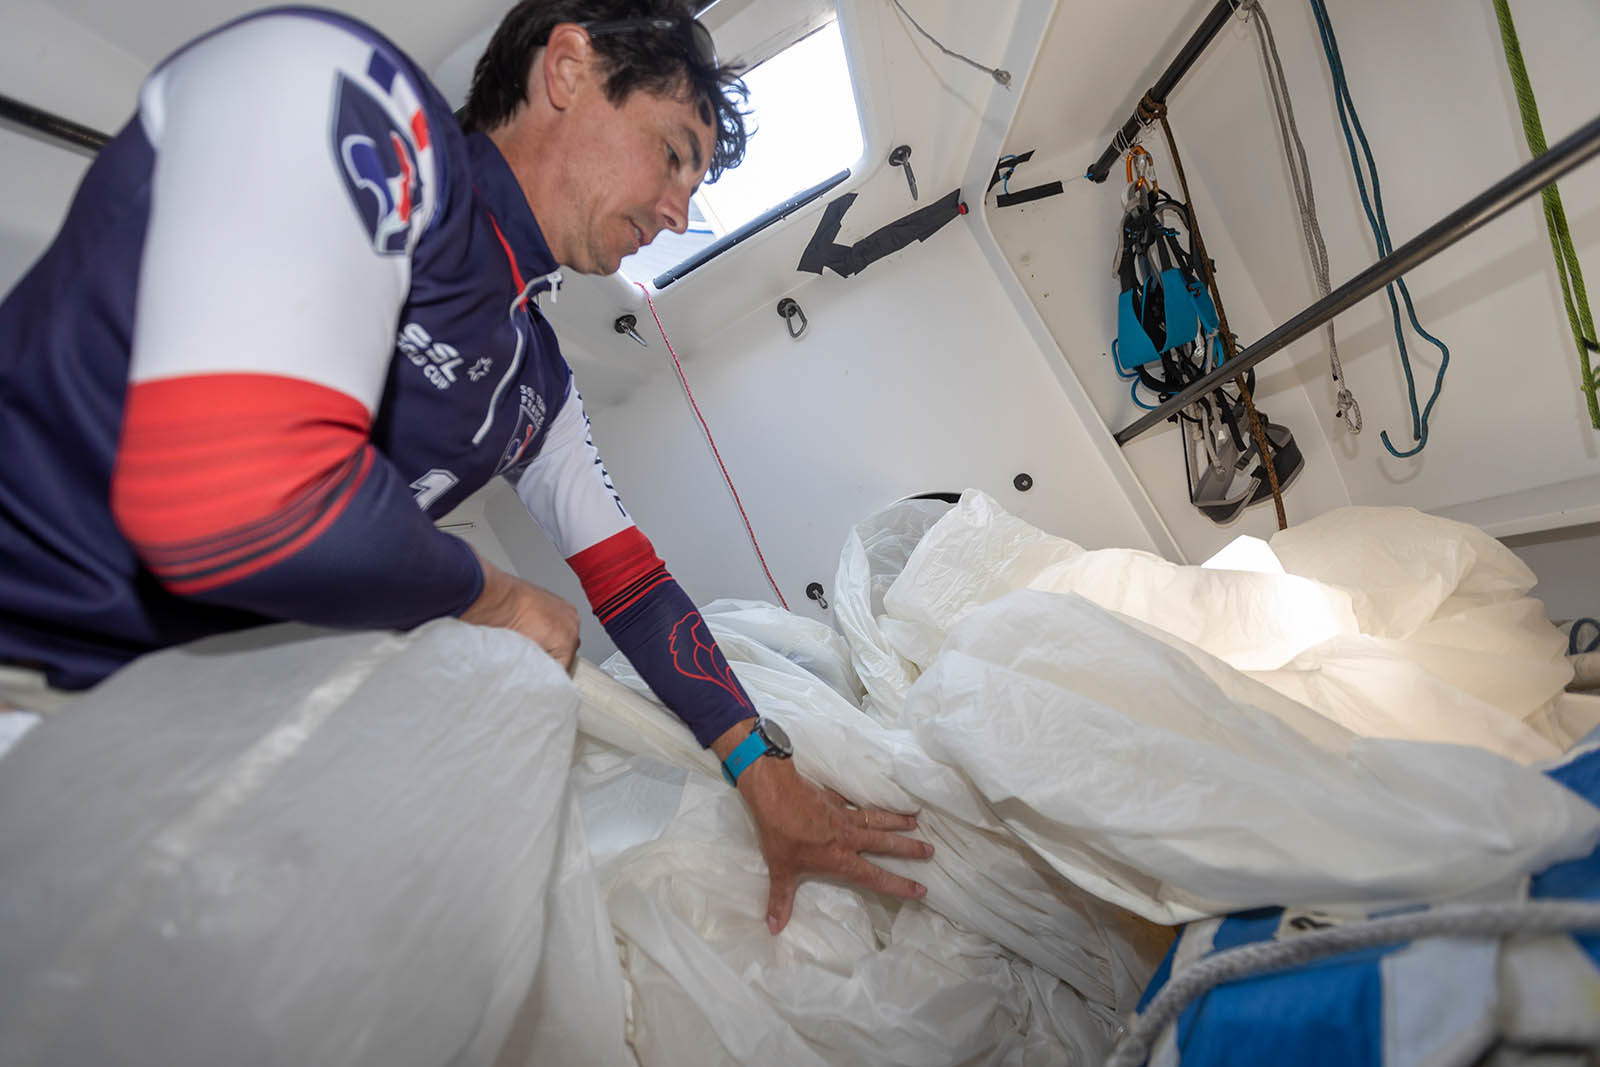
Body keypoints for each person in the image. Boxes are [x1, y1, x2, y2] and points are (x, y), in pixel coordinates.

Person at [0, 0, 931, 934]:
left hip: (138, 743)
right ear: (568, 69)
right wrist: (498, 599)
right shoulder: (355, 103)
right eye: (674, 153)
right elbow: (235, 498)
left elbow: (636, 590)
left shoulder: (538, 378)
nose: (680, 212)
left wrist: (763, 773)